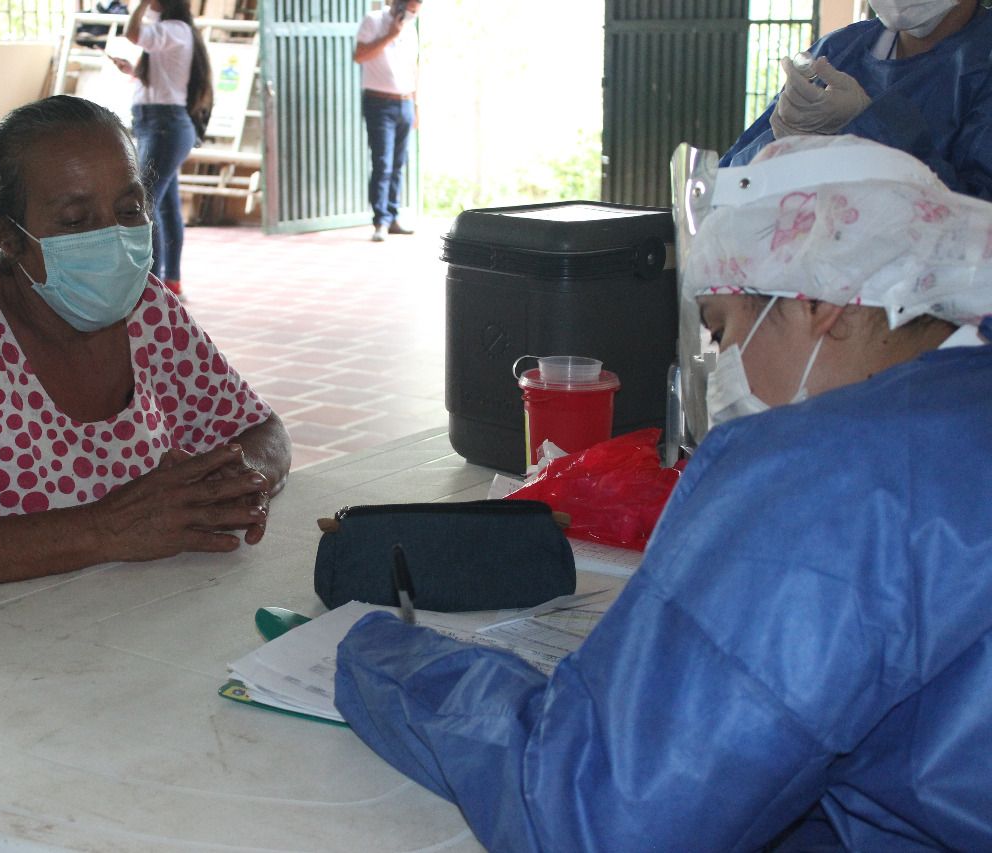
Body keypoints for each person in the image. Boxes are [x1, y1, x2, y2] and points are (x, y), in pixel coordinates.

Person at [334, 135, 992, 851]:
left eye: (725, 329)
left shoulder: (828, 476)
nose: (722, 366)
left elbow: (602, 815)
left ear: (817, 301)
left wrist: (385, 657)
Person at [0, 96, 290, 598]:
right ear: (9, 235)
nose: (113, 239)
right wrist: (109, 529)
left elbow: (258, 429)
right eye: (75, 220)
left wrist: (235, 484)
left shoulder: (147, 310)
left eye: (128, 209)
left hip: (122, 618)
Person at [721, 0, 992, 201]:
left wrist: (869, 129)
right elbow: (729, 182)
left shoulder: (980, 67)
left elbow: (975, 225)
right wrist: (783, 143)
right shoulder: (838, 50)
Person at [110, 0, 213, 297]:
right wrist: (131, 69)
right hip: (157, 123)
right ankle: (170, 282)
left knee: (143, 202)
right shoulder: (171, 31)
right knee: (164, 206)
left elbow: (132, 33)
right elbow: (158, 77)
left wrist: (139, 5)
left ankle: (150, 284)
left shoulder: (175, 30)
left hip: (165, 125)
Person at [354, 0, 422, 242]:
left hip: (404, 102)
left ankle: (393, 216)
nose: (412, 14)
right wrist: (390, 35)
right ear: (397, 5)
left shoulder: (412, 30)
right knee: (382, 162)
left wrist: (415, 105)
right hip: (378, 102)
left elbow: (413, 68)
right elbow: (359, 55)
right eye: (410, 9)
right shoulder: (374, 21)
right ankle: (380, 220)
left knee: (398, 163)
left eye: (416, 10)